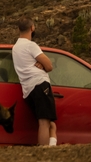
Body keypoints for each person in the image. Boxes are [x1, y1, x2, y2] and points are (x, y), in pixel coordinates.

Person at [13, 17, 58, 146]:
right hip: (39, 84)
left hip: (27, 90)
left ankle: (51, 148)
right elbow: (49, 66)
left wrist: (39, 63)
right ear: (32, 28)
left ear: (18, 29)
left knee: (50, 124)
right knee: (44, 123)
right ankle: (44, 152)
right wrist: (43, 64)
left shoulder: (16, 48)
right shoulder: (31, 46)